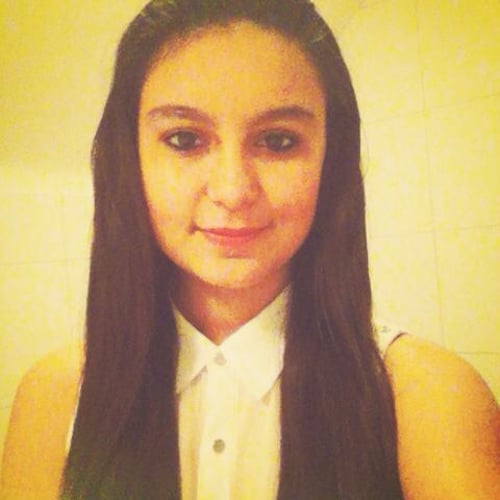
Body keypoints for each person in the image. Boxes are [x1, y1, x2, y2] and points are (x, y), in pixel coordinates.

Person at [1, 0, 499, 498]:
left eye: (278, 141)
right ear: (131, 159)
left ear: (331, 159)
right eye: (184, 139)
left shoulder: (429, 397)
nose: (233, 190)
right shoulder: (56, 397)